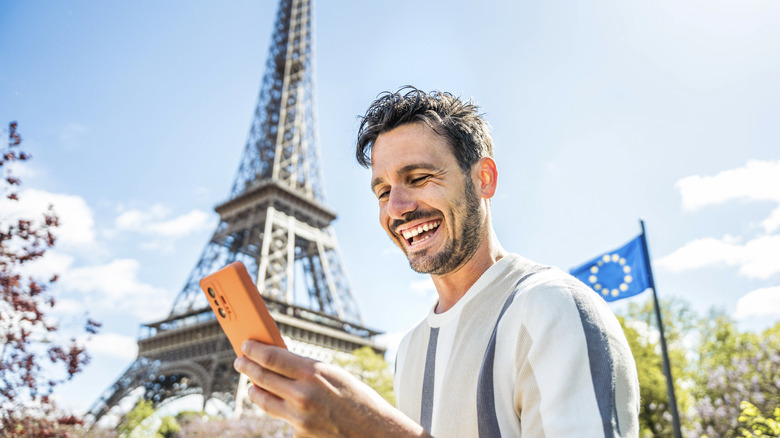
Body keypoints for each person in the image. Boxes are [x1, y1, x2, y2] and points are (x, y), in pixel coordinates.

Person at [234, 87, 640, 437]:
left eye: (418, 178)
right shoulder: (410, 349)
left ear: (483, 179)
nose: (396, 207)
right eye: (382, 191)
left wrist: (376, 431)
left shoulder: (554, 309)